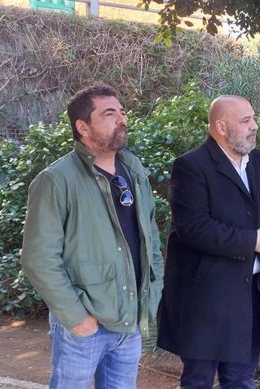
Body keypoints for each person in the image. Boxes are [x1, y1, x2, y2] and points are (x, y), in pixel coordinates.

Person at [20, 84, 165, 389]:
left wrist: (152, 292)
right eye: (110, 113)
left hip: (129, 322)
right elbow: (38, 258)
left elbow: (150, 238)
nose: (122, 119)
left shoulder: (133, 171)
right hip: (84, 328)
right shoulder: (56, 180)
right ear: (82, 126)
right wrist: (76, 318)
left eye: (122, 112)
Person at [156, 95, 260, 389]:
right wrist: (253, 241)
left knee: (241, 380)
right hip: (206, 297)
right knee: (199, 381)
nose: (254, 126)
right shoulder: (191, 166)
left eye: (253, 119)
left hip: (250, 294)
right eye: (245, 121)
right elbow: (193, 227)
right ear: (220, 126)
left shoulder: (258, 162)